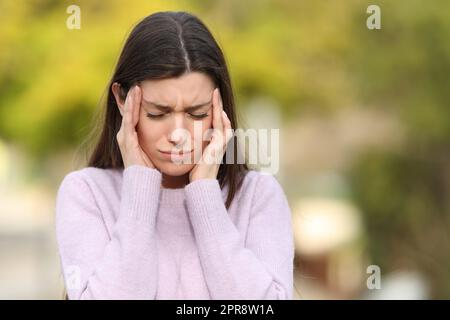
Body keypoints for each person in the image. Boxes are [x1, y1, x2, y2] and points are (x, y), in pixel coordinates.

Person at [55, 11, 294, 300]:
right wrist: (140, 186)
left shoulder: (258, 196)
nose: (178, 134)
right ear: (121, 99)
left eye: (197, 113)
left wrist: (205, 193)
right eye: (158, 113)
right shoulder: (86, 193)